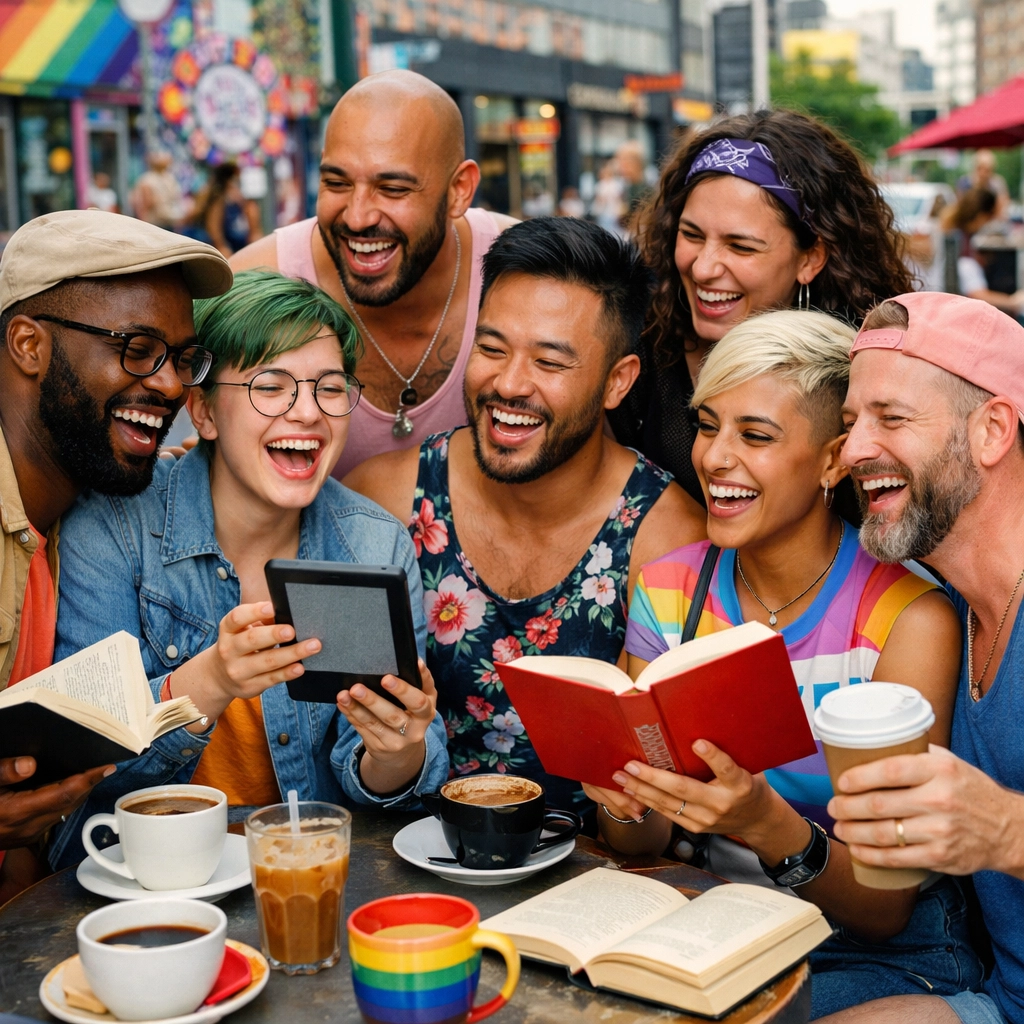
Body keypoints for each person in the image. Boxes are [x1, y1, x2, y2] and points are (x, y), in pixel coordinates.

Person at [588, 309, 979, 1018]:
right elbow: (635, 842)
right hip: (715, 932)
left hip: (874, 953)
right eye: (709, 426)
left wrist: (767, 823)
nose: (715, 458)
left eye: (755, 436)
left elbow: (884, 910)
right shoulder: (671, 590)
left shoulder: (906, 619)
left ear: (834, 460)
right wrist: (626, 795)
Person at [49, 270, 449, 869]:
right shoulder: (115, 525)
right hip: (144, 879)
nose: (307, 413)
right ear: (204, 413)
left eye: (330, 388)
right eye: (271, 386)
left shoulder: (373, 544)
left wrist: (396, 751)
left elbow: (386, 792)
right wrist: (212, 679)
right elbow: (84, 770)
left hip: (310, 876)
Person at [345, 217, 705, 819]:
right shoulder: (386, 498)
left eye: (550, 362)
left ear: (618, 382)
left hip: (592, 891)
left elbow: (653, 833)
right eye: (491, 348)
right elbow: (340, 747)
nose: (509, 383)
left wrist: (629, 804)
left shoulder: (668, 538)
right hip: (403, 863)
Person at [0, 209, 231, 900]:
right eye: (136, 348)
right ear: (28, 345)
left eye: (182, 358)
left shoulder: (82, 512)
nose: (169, 386)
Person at [819, 293, 1024, 1024]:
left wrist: (1005, 829)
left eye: (891, 419)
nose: (853, 451)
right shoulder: (956, 610)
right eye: (849, 425)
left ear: (993, 429)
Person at [608, 109, 914, 505]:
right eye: (691, 235)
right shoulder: (635, 346)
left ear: (811, 259)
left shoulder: (871, 374)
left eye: (741, 246)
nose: (703, 267)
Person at [230, 70, 515, 477]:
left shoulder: (519, 273)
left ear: (459, 190)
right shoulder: (251, 282)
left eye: (393, 189)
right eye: (336, 182)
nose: (358, 216)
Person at [940, 188, 1024, 314]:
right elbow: (977, 293)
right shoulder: (961, 246)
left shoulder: (955, 236)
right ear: (982, 216)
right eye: (992, 217)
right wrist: (1013, 301)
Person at [185, 163, 252, 258]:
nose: (237, 181)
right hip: (208, 243)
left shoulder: (229, 195)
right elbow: (213, 227)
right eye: (236, 178)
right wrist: (221, 246)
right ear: (228, 179)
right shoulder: (217, 197)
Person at [132, 151, 184, 230]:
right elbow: (146, 204)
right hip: (155, 222)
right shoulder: (148, 179)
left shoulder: (169, 178)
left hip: (169, 220)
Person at [957, 149, 1010, 220]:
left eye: (987, 170)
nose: (983, 173)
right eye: (980, 168)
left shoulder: (998, 183)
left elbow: (1002, 208)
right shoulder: (965, 182)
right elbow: (961, 207)